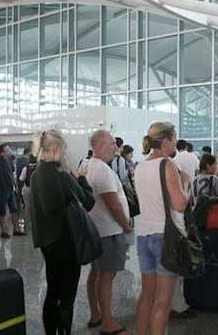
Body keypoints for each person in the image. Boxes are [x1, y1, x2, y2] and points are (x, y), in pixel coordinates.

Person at [30, 129, 95, 335]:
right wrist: (82, 178)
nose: (66, 152)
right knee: (67, 295)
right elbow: (89, 202)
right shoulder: (62, 177)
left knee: (53, 291)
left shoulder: (36, 175)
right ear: (57, 148)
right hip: (66, 242)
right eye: (65, 148)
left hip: (47, 243)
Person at [134, 122, 190, 335]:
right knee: (163, 300)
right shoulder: (166, 165)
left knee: (147, 295)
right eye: (174, 139)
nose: (175, 144)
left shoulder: (140, 166)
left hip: (144, 235)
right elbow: (180, 204)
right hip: (166, 237)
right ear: (166, 142)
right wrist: (185, 183)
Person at [85, 130, 132, 335]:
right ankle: (109, 323)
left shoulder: (86, 164)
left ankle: (96, 314)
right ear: (101, 145)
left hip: (96, 229)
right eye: (113, 143)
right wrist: (126, 225)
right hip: (108, 231)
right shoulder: (102, 170)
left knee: (96, 273)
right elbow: (113, 205)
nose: (116, 147)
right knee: (107, 276)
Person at [0, 144, 23, 237]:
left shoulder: (9, 161)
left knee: (14, 209)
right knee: (3, 210)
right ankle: (3, 231)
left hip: (10, 188)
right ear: (2, 152)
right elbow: (1, 176)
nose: (9, 152)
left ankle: (16, 229)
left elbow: (11, 175)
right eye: (7, 151)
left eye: (9, 150)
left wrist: (15, 185)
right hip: (3, 189)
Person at [18, 154, 38, 232]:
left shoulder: (26, 168)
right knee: (36, 207)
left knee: (27, 207)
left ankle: (27, 224)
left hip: (27, 189)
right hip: (36, 190)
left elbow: (21, 179)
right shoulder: (39, 168)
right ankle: (36, 223)